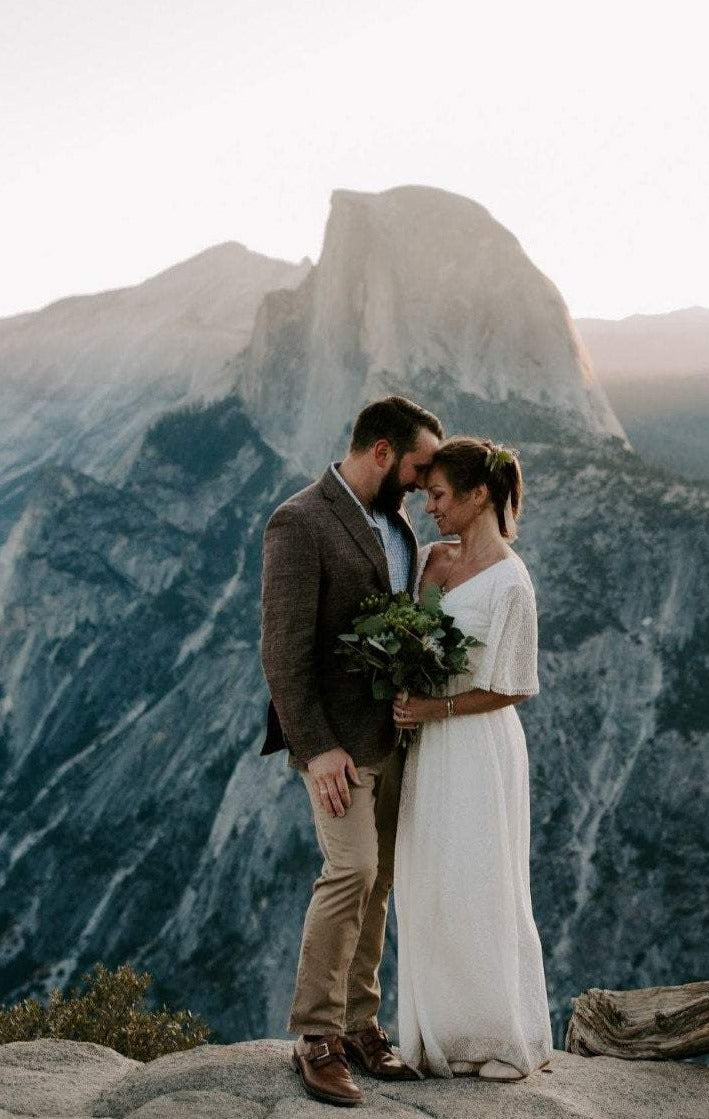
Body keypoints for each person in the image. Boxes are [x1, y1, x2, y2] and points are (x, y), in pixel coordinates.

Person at [260, 395, 443, 1107]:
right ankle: (314, 1036)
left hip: (394, 739)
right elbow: (282, 650)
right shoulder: (299, 520)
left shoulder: (396, 525)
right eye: (419, 466)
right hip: (336, 746)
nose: (426, 483)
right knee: (351, 869)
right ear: (380, 452)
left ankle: (361, 1024)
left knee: (380, 881)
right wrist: (318, 748)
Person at [392, 437, 554, 1082]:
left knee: (482, 882)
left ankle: (496, 1038)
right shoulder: (430, 561)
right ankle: (438, 1035)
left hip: (479, 742)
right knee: (429, 879)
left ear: (477, 494)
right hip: (427, 745)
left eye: (436, 495)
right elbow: (406, 634)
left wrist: (441, 709)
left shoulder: (512, 581)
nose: (427, 507)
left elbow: (517, 683)